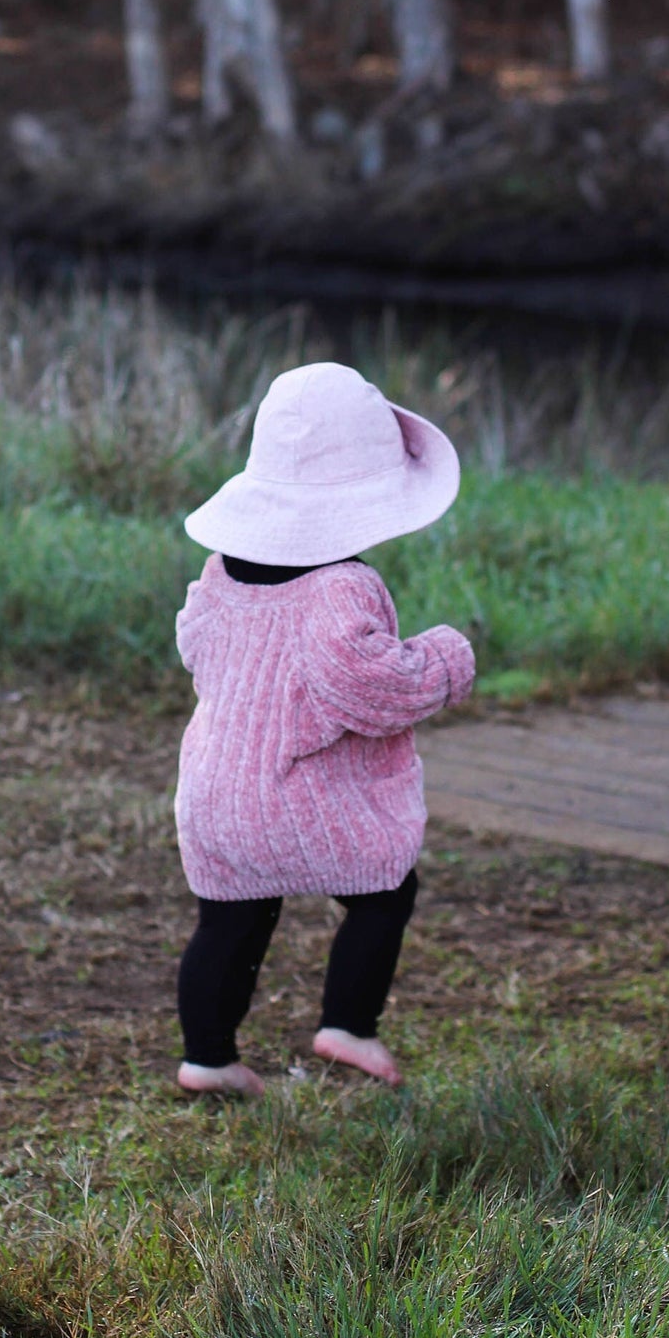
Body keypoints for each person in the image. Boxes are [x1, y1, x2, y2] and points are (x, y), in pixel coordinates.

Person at [172, 361, 476, 1097]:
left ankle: (207, 1056)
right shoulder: (340, 587)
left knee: (229, 921)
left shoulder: (218, 572)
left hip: (216, 789)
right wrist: (443, 657)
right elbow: (368, 687)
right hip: (299, 795)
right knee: (383, 891)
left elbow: (195, 645)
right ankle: (347, 1023)